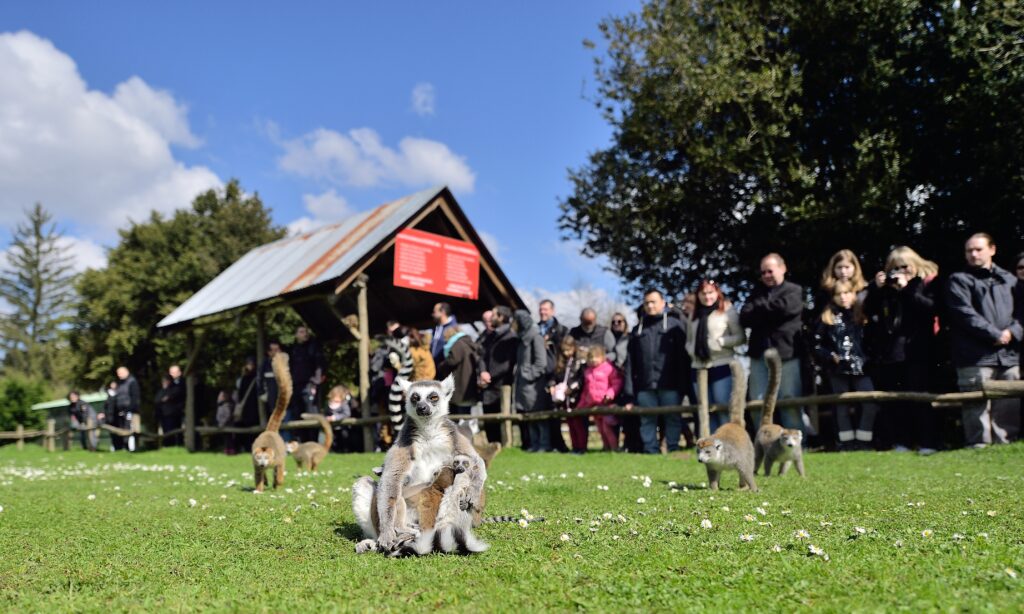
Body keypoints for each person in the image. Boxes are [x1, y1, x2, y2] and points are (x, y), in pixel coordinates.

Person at [863, 246, 941, 454]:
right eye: (895, 267)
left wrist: (906, 289)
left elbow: (930, 309)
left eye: (905, 266)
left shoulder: (924, 284)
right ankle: (901, 441)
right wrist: (876, 289)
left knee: (920, 398)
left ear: (915, 264)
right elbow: (868, 312)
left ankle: (928, 442)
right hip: (891, 354)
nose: (900, 271)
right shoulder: (886, 289)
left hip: (918, 351)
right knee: (895, 401)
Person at [946, 233, 1021, 448]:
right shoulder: (958, 280)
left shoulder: (1009, 279)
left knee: (1008, 402)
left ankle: (1006, 445)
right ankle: (978, 446)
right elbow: (964, 314)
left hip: (1008, 355)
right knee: (975, 403)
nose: (973, 254)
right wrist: (995, 334)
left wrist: (1013, 332)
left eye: (978, 249)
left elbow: (1022, 312)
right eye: (969, 250)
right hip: (974, 356)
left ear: (992, 249)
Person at [740, 253, 805, 430]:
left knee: (788, 400)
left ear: (782, 269)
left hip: (786, 354)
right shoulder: (756, 292)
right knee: (757, 402)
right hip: (758, 356)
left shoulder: (794, 291)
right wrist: (770, 310)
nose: (766, 275)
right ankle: (764, 443)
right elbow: (745, 317)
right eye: (763, 272)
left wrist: (760, 310)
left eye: (770, 270)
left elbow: (786, 309)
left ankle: (797, 443)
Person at [815, 281, 878, 449]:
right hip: (838, 368)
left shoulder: (862, 315)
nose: (843, 297)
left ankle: (863, 441)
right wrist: (830, 356)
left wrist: (866, 358)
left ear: (854, 294)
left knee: (870, 401)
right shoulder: (827, 317)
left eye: (846, 292)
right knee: (841, 406)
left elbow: (872, 341)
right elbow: (817, 344)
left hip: (862, 367)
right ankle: (847, 443)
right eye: (838, 294)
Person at [623, 289, 687, 454]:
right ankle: (651, 450)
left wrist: (682, 385)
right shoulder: (638, 330)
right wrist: (629, 392)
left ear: (663, 303)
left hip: (670, 384)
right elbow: (630, 363)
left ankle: (673, 448)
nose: (650, 306)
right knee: (647, 419)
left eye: (653, 302)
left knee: (672, 417)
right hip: (644, 386)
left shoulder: (675, 326)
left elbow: (683, 358)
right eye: (647, 303)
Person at [684, 279, 746, 433]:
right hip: (698, 366)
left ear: (717, 293)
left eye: (710, 292)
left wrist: (720, 342)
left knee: (723, 406)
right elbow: (689, 340)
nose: (707, 296)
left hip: (722, 364)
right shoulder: (694, 315)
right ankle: (710, 447)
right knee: (705, 409)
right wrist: (692, 350)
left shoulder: (727, 311)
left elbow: (740, 337)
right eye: (703, 293)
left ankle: (727, 443)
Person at [477, 306, 517, 443]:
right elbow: (482, 356)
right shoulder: (489, 336)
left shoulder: (511, 337)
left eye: (493, 315)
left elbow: (508, 363)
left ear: (501, 317)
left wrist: (490, 375)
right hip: (486, 385)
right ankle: (490, 447)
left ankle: (503, 446)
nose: (490, 318)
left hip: (501, 385)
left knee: (501, 419)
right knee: (488, 420)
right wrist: (482, 372)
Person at [512, 309, 549, 451]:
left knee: (538, 415)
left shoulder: (535, 337)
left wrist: (528, 376)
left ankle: (544, 445)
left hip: (533, 386)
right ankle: (534, 444)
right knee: (529, 416)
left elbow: (541, 362)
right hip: (523, 385)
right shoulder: (522, 338)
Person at [578, 345, 624, 452]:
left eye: (596, 357)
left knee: (607, 427)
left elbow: (616, 383)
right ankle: (606, 448)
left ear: (602, 357)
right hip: (594, 406)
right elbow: (586, 390)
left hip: (606, 404)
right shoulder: (588, 372)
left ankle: (614, 448)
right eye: (591, 358)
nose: (593, 360)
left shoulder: (608, 368)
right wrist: (582, 404)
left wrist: (610, 394)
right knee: (601, 429)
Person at [288, 326, 326, 442]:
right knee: (298, 414)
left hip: (309, 385)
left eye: (305, 331)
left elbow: (320, 365)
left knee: (311, 413)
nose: (304, 334)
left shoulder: (313, 347)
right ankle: (303, 442)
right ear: (296, 335)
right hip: (296, 386)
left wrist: (316, 382)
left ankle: (313, 442)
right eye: (301, 332)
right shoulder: (293, 350)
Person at [548, 336, 585, 453]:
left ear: (574, 348)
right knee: (571, 424)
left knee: (578, 424)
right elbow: (555, 377)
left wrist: (571, 388)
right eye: (564, 350)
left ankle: (581, 447)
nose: (566, 353)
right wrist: (552, 385)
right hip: (565, 399)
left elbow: (581, 379)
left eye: (568, 350)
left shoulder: (579, 362)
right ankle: (575, 447)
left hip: (576, 398)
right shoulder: (561, 363)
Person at [439, 326, 480, 417]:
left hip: (461, 384)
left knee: (460, 415)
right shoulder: (467, 342)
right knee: (465, 413)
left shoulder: (458, 344)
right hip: (467, 383)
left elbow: (452, 360)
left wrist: (441, 366)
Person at [235, 357, 261, 449]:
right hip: (246, 406)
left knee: (255, 423)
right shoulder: (243, 378)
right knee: (247, 424)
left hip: (254, 405)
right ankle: (247, 446)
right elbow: (240, 393)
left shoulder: (256, 377)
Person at [157, 365, 186, 446]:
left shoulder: (182, 383)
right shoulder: (168, 385)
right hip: (166, 411)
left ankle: (179, 445)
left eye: (174, 372)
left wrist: (168, 397)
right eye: (171, 372)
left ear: (179, 373)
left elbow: (178, 394)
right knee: (168, 430)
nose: (172, 374)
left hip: (177, 410)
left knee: (177, 429)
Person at [113, 366, 140, 451]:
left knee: (130, 429)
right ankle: (124, 446)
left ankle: (132, 448)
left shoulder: (132, 382)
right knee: (122, 428)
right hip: (121, 410)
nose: (119, 375)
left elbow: (134, 398)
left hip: (130, 410)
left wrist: (128, 409)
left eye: (120, 373)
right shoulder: (120, 383)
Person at [325, 385, 355, 453]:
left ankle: (345, 451)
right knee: (333, 440)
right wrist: (327, 418)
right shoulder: (329, 404)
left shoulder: (344, 404)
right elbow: (326, 413)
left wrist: (335, 417)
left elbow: (347, 414)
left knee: (344, 439)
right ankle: (334, 451)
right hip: (333, 427)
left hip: (343, 427)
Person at [429, 303, 459, 370]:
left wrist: (444, 365)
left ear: (442, 312)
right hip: (434, 368)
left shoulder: (453, 328)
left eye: (434, 312)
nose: (432, 314)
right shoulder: (436, 329)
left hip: (445, 369)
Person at [258, 340, 282, 424]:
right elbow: (260, 381)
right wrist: (263, 394)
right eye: (275, 350)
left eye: (279, 349)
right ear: (269, 352)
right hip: (272, 403)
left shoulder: (286, 364)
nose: (278, 352)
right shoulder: (265, 365)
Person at [215, 390, 236, 454]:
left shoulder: (227, 405)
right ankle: (227, 449)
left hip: (227, 425)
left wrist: (222, 423)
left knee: (228, 438)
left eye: (220, 396)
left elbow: (228, 416)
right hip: (222, 425)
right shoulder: (221, 405)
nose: (219, 397)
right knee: (226, 438)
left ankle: (230, 450)